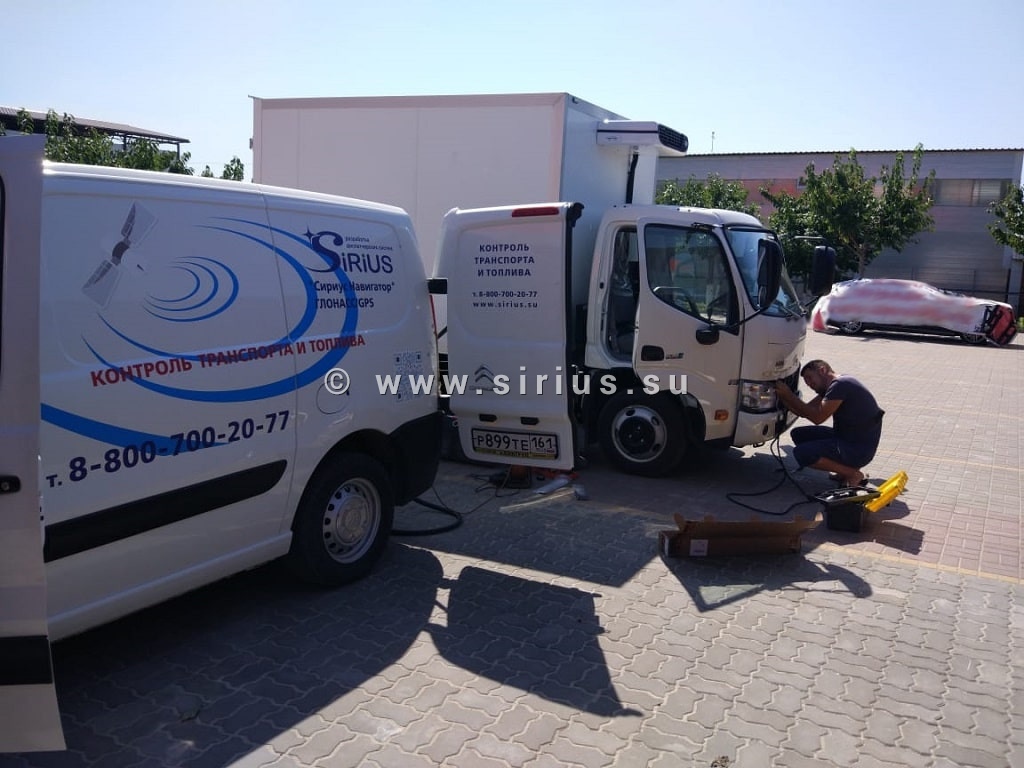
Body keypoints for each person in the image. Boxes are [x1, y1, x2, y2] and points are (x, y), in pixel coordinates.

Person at [774, 359, 884, 487]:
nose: (809, 384)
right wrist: (783, 397)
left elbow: (817, 418)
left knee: (803, 453)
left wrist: (788, 395)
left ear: (822, 370)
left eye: (810, 378)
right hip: (848, 439)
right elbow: (804, 411)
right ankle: (843, 471)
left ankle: (852, 474)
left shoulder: (840, 385)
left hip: (858, 450)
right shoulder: (837, 384)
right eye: (806, 381)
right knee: (799, 434)